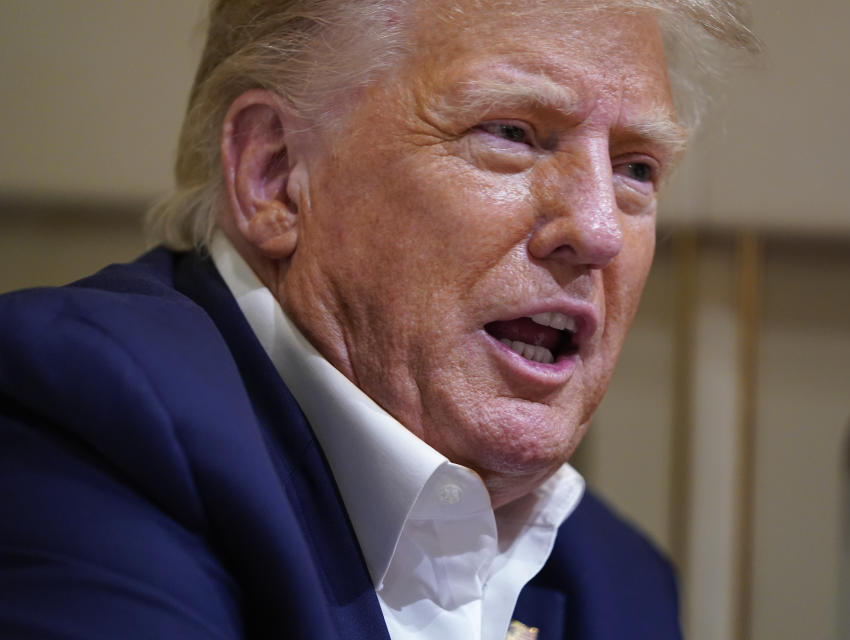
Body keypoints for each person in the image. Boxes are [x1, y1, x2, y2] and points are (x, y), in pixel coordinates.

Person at [0, 1, 757, 638]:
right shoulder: (79, 420)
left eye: (636, 170)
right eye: (512, 134)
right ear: (274, 176)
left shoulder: (620, 586)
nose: (598, 231)